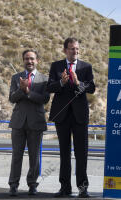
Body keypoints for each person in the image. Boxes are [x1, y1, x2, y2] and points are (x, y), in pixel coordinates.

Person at [47, 37, 95, 198]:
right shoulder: (56, 66)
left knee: (82, 153)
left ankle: (82, 188)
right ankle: (65, 188)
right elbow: (49, 86)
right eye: (72, 48)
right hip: (62, 116)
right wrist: (61, 82)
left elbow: (92, 88)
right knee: (64, 153)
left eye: (77, 49)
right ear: (65, 50)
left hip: (80, 116)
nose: (75, 51)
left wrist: (78, 82)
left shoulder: (86, 67)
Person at [8, 50, 50, 196]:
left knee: (34, 156)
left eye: (32, 59)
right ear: (23, 60)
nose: (29, 61)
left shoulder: (44, 79)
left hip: (36, 122)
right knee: (16, 155)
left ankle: (32, 184)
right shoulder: (16, 77)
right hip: (18, 122)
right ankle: (13, 185)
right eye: (26, 59)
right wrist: (21, 89)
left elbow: (44, 99)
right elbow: (12, 98)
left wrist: (28, 92)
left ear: (37, 60)